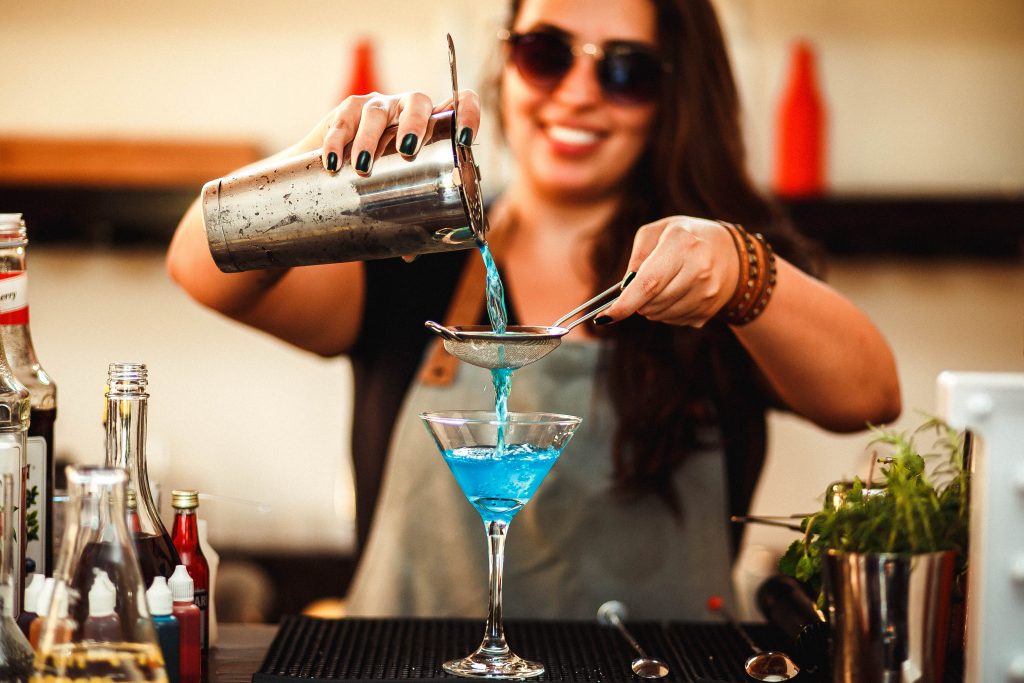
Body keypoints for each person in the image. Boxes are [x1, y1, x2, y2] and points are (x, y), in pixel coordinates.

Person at [167, 0, 901, 619]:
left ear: (675, 97)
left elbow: (870, 396)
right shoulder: (413, 254)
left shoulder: (715, 276)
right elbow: (200, 267)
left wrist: (745, 269)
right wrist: (327, 167)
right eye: (546, 54)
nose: (579, 94)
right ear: (506, 69)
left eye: (625, 71)